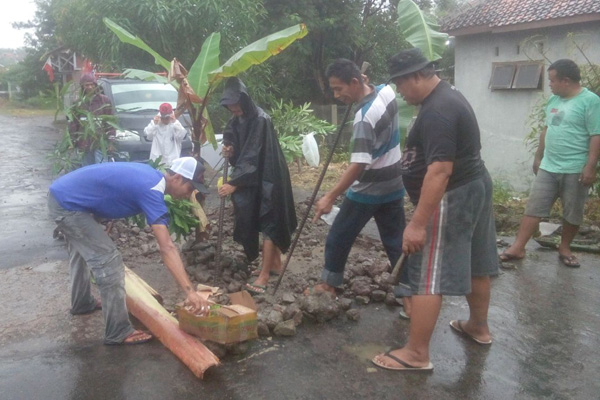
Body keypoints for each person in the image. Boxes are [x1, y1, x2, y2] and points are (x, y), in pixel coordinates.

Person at [371, 48, 499, 371]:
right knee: (477, 263)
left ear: (416, 75)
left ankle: (416, 353)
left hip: (452, 193)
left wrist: (417, 223)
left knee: (429, 272)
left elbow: (439, 171)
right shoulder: (446, 96)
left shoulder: (438, 111)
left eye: (401, 84)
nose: (400, 92)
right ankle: (478, 327)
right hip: (475, 185)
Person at [48, 157, 211, 345]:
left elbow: (113, 189)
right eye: (190, 188)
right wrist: (190, 292)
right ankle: (118, 331)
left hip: (65, 196)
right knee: (109, 261)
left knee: (82, 251)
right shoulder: (152, 189)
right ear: (177, 178)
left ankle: (82, 303)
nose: (189, 194)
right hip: (68, 205)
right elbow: (167, 247)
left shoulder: (152, 177)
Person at [310, 58, 406, 297]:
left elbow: (359, 165)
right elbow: (373, 88)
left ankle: (328, 284)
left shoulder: (363, 118)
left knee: (339, 235)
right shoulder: (387, 91)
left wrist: (330, 197)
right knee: (396, 241)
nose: (335, 95)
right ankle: (409, 295)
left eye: (338, 88)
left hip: (369, 189)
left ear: (355, 82)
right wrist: (360, 87)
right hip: (394, 182)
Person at [499, 59, 600, 268]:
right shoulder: (554, 101)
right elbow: (547, 129)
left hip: (575, 168)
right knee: (534, 207)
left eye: (552, 80)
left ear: (566, 80)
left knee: (572, 211)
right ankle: (518, 247)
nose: (550, 85)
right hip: (549, 166)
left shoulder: (590, 101)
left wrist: (590, 166)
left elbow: (596, 135)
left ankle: (565, 248)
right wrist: (538, 156)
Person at [217, 77, 297, 295]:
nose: (232, 108)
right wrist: (229, 149)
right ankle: (274, 264)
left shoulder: (261, 119)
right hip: (252, 176)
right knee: (253, 216)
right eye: (229, 105)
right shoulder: (236, 119)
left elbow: (253, 155)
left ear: (244, 100)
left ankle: (263, 276)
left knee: (269, 219)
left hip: (269, 175)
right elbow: (234, 143)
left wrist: (234, 183)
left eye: (235, 103)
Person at [68, 73, 115, 165]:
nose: (89, 87)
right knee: (87, 170)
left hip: (100, 142)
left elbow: (110, 122)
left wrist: (111, 141)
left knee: (101, 169)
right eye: (87, 85)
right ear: (82, 86)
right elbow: (74, 124)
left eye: (91, 84)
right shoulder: (78, 103)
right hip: (84, 144)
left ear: (95, 85)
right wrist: (72, 141)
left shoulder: (104, 101)